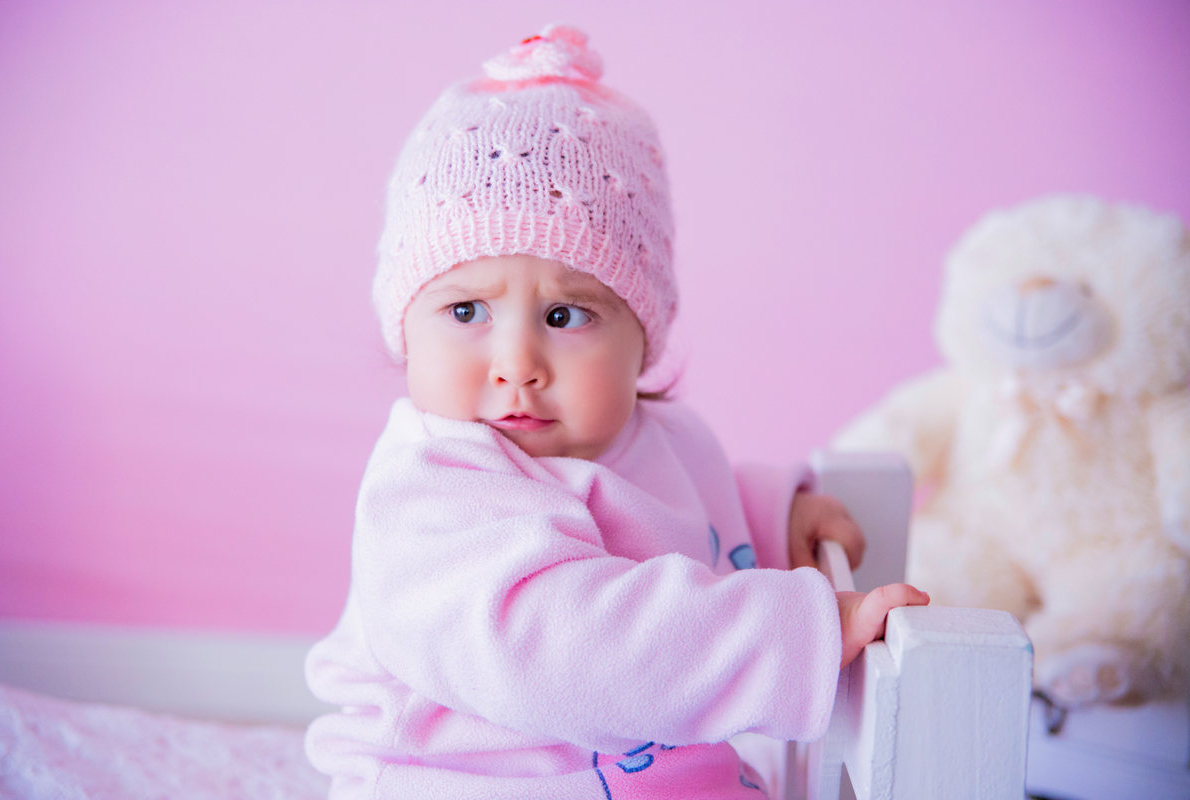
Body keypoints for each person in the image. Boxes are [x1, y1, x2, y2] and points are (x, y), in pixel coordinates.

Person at [305, 25, 928, 799]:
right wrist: (798, 631)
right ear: (405, 326)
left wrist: (770, 520)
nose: (517, 365)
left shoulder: (657, 436)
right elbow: (566, 648)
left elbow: (675, 506)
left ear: (643, 337)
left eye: (566, 318)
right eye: (466, 311)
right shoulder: (432, 493)